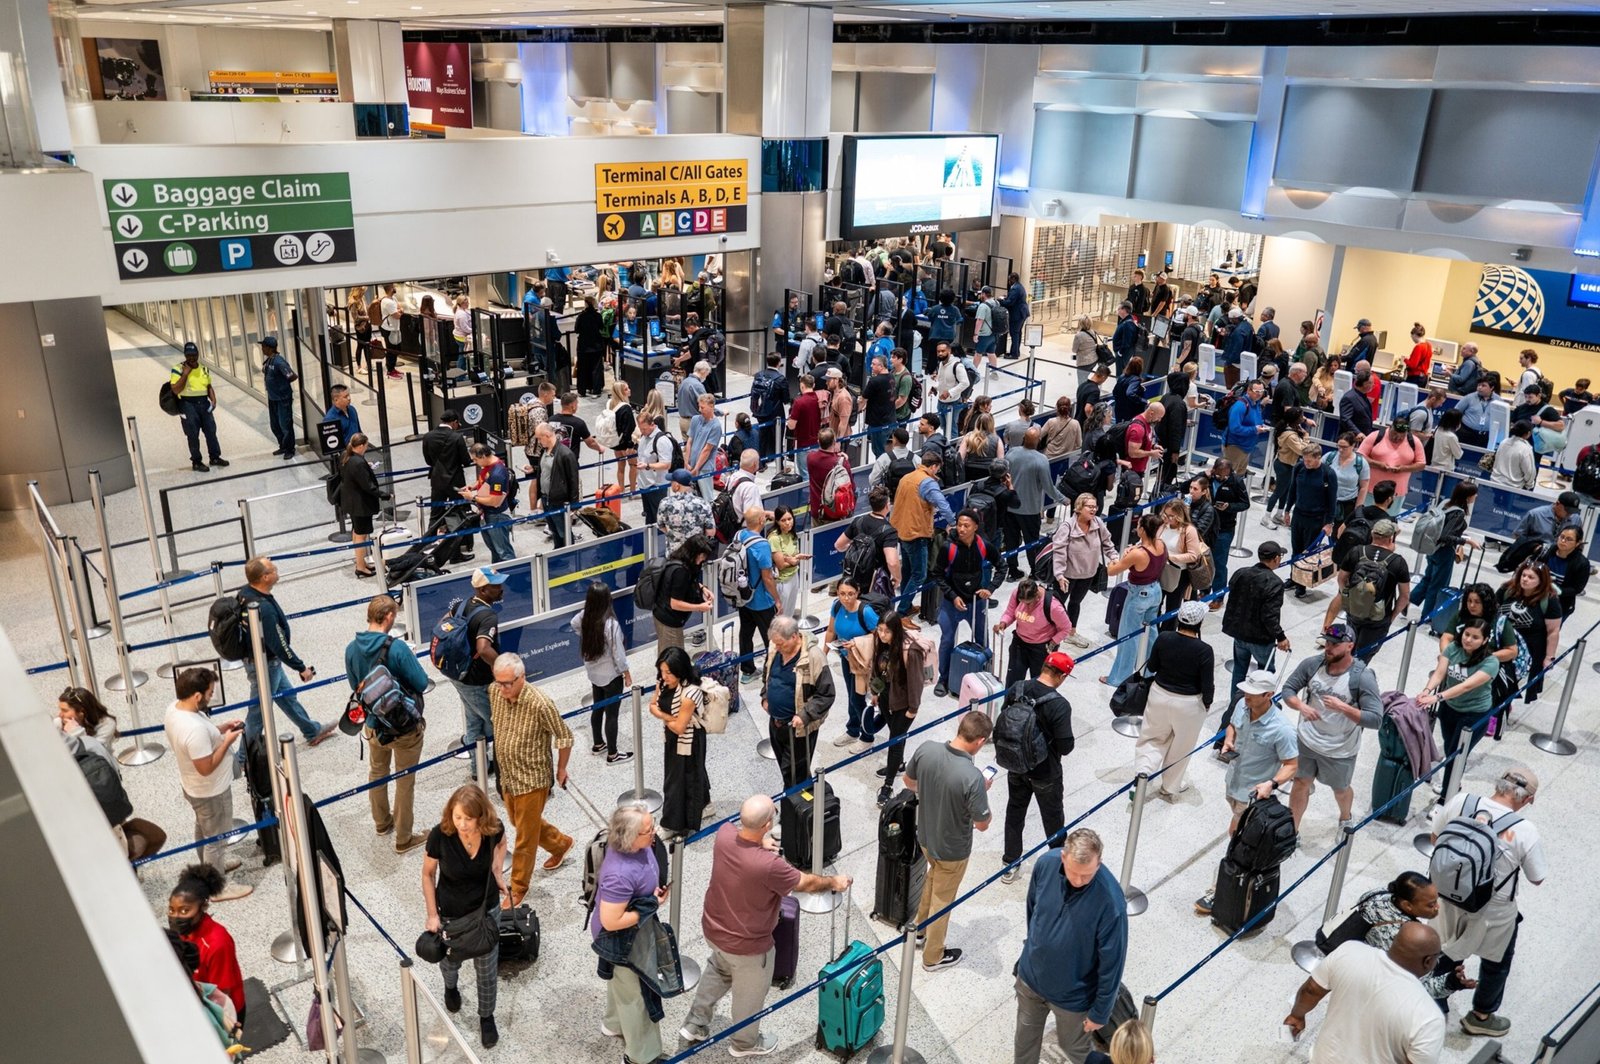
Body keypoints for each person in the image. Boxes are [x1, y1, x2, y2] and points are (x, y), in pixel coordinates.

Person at [680, 795, 851, 1055]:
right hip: (747, 945)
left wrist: (759, 840)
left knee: (719, 969)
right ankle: (744, 1044)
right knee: (749, 996)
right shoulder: (769, 866)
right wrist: (833, 881)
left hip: (714, 929)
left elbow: (744, 839)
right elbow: (806, 883)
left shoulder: (724, 834)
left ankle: (695, 1023)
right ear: (768, 825)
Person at [1429, 767, 1547, 1039]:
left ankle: (1432, 998)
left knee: (1444, 949)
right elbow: (1537, 878)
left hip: (1447, 895)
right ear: (1527, 799)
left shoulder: (1462, 801)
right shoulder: (1524, 830)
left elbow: (1436, 838)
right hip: (1492, 910)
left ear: (1498, 785)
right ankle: (1481, 1016)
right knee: (1497, 962)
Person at [1012, 828, 1128, 1064]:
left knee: (1076, 1048)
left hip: (1073, 997)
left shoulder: (1111, 904)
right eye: (1073, 872)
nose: (1077, 881)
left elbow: (1112, 964)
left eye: (1086, 876)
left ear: (1099, 864)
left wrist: (1100, 1012)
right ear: (1063, 857)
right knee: (1024, 1043)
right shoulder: (1046, 864)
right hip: (1031, 981)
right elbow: (1033, 911)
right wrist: (1031, 949)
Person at [1193, 670, 1299, 917]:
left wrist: (1271, 784)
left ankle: (1217, 892)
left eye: (1252, 694)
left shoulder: (1282, 729)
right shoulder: (1242, 704)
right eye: (1246, 692)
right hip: (1234, 782)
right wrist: (1229, 740)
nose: (1246, 697)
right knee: (1236, 831)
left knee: (1238, 841)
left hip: (1254, 794)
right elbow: (1233, 725)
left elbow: (1292, 765)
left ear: (1269, 695)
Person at [905, 711, 994, 972]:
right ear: (979, 742)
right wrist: (981, 791)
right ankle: (933, 957)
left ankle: (918, 931)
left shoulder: (926, 749)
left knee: (932, 880)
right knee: (943, 900)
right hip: (952, 849)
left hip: (926, 837)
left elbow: (908, 782)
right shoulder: (972, 777)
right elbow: (982, 823)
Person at [1284, 925, 1447, 1062]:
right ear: (1428, 961)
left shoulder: (1350, 951)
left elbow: (1311, 990)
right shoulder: (1429, 1016)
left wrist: (1297, 1016)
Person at [423, 784, 508, 1047]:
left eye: (468, 819)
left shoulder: (494, 830)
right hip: (451, 913)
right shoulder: (441, 835)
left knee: (486, 967)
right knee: (450, 963)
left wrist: (497, 872)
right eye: (457, 816)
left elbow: (503, 843)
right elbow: (427, 874)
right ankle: (450, 986)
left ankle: (486, 1017)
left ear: (481, 817)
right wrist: (432, 914)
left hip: (486, 909)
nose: (461, 824)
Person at [344, 595, 431, 852]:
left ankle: (382, 823)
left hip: (373, 724)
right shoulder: (397, 648)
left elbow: (355, 687)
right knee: (405, 781)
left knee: (377, 772)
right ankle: (404, 838)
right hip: (404, 727)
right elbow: (422, 683)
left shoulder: (351, 648)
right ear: (390, 617)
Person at [489, 652, 574, 905]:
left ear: (522, 677)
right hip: (508, 777)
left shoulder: (540, 703)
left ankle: (518, 887)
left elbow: (565, 736)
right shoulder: (494, 692)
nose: (502, 689)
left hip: (532, 779)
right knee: (519, 821)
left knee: (524, 837)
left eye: (507, 683)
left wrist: (561, 769)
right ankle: (561, 844)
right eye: (498, 682)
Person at [1283, 624, 1383, 832]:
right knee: (1300, 783)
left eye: (1335, 644)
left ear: (1350, 646)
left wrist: (1344, 708)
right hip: (1308, 741)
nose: (1328, 647)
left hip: (1340, 749)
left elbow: (1375, 719)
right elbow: (1288, 689)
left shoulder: (1362, 677)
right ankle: (1293, 830)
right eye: (1327, 642)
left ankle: (1345, 816)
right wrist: (1301, 706)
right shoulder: (1312, 665)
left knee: (1340, 790)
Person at [236, 557, 337, 754]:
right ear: (265, 577)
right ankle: (241, 760)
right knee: (258, 714)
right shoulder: (263, 609)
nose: (276, 570)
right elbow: (279, 644)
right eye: (273, 569)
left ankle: (311, 731)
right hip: (265, 665)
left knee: (287, 697)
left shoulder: (244, 593)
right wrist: (301, 668)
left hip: (262, 661)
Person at [163, 668, 250, 894]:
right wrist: (227, 741)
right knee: (216, 839)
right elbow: (206, 767)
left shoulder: (174, 709)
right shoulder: (194, 729)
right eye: (210, 692)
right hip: (211, 791)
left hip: (193, 787)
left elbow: (202, 737)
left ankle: (209, 870)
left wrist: (221, 729)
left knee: (203, 829)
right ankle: (217, 886)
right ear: (197, 696)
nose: (212, 695)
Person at [995, 651, 1076, 883]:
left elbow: (1005, 719)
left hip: (1016, 765)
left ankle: (1009, 863)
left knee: (1015, 812)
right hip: (1045, 772)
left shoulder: (1018, 688)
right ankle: (1061, 867)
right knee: (1053, 819)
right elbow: (1065, 746)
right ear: (1061, 677)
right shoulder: (1060, 705)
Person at [1134, 601, 1216, 796]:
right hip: (1189, 704)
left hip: (1159, 695)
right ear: (1200, 622)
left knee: (1151, 738)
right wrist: (1207, 703)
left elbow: (1152, 667)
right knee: (1181, 747)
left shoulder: (1164, 638)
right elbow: (1207, 684)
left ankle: (1142, 774)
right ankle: (1170, 787)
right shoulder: (1205, 650)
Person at [1417, 618, 1501, 797]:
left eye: (1475, 637)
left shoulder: (1491, 662)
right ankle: (1454, 784)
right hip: (1449, 709)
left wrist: (1436, 697)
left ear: (1485, 640)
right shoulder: (1452, 649)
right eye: (1467, 634)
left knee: (1455, 757)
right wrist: (1426, 690)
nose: (1468, 639)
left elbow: (1466, 686)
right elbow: (1440, 673)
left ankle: (1446, 798)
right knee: (1450, 749)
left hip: (1474, 715)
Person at [856, 611, 929, 806]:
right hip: (887, 699)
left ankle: (887, 785)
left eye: (886, 631)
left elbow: (916, 682)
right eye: (879, 630)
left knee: (894, 742)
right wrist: (876, 692)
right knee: (895, 737)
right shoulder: (881, 644)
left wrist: (913, 708)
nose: (882, 635)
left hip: (904, 704)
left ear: (896, 630)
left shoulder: (910, 651)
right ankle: (899, 765)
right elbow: (878, 671)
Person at [440, 567, 504, 774]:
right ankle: (505, 768)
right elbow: (484, 648)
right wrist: (503, 667)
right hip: (477, 680)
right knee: (499, 724)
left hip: (458, 674)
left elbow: (442, 625)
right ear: (483, 590)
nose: (501, 589)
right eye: (496, 586)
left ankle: (480, 769)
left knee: (474, 721)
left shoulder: (461, 604)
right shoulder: (488, 616)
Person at [761, 615, 836, 789]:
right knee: (786, 769)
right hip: (775, 723)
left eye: (781, 644)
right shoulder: (775, 647)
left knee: (796, 773)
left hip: (799, 730)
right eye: (775, 643)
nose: (777, 647)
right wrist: (765, 696)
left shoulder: (814, 657)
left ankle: (795, 810)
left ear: (794, 636)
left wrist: (804, 715)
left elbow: (826, 695)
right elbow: (767, 673)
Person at [934, 509, 1002, 698]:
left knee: (982, 640)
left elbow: (1001, 566)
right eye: (959, 524)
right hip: (951, 602)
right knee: (947, 639)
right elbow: (937, 574)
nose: (961, 529)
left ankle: (982, 675)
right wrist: (952, 596)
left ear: (975, 527)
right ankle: (944, 678)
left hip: (976, 602)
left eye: (966, 526)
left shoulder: (984, 545)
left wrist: (990, 588)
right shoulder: (948, 547)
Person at [647, 647, 712, 842]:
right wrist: (669, 718)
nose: (664, 676)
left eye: (669, 672)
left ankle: (673, 824)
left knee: (677, 781)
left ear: (681, 670)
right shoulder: (664, 683)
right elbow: (652, 705)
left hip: (689, 740)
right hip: (674, 737)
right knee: (690, 773)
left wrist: (663, 716)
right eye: (662, 671)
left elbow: (679, 727)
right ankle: (704, 802)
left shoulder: (691, 693)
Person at [1323, 517, 1411, 659]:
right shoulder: (1398, 562)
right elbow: (1405, 596)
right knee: (1363, 657)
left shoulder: (1356, 551)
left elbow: (1341, 579)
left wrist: (1349, 597)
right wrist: (1392, 616)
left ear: (1372, 534)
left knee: (1347, 649)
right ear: (1391, 538)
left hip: (1354, 611)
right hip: (1379, 618)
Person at [168, 864, 246, 1020]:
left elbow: (222, 994)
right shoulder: (180, 934)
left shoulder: (218, 943)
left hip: (223, 1012)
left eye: (184, 910)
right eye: (171, 910)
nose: (175, 917)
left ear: (203, 906)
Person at [1222, 541, 1292, 708]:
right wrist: (1281, 637)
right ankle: (1260, 705)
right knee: (1266, 673)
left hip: (1239, 633)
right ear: (1276, 559)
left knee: (1239, 670)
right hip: (1260, 638)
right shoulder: (1275, 583)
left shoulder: (1241, 573)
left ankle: (1236, 704)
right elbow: (1270, 616)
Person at [1102, 515, 1168, 688]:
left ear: (1143, 530)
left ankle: (1118, 678)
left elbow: (1112, 571)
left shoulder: (1138, 554)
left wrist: (1115, 559)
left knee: (1128, 637)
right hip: (1155, 592)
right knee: (1151, 634)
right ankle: (1149, 672)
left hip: (1139, 595)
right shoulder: (1161, 545)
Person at [891, 450, 954, 615]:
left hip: (901, 530)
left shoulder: (907, 477)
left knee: (907, 570)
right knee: (919, 575)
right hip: (916, 533)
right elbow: (942, 503)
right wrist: (953, 522)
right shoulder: (927, 482)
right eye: (937, 469)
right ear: (933, 466)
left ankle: (905, 604)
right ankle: (902, 611)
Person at [579, 582, 634, 765]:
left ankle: (598, 744)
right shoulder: (611, 625)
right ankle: (612, 754)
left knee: (598, 707)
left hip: (594, 673)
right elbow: (618, 653)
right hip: (611, 675)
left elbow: (573, 624)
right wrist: (626, 673)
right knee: (612, 714)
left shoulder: (584, 617)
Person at [1051, 495, 1119, 641]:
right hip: (1067, 575)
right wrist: (1059, 574)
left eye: (1095, 507)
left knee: (1076, 603)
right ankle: (1054, 630)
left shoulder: (1098, 523)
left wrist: (1113, 556)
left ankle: (1070, 631)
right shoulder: (1067, 526)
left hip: (1088, 574)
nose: (1093, 509)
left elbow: (1107, 542)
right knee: (1058, 604)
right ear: (1079, 508)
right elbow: (1059, 552)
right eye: (1090, 506)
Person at [1415, 482, 1483, 620]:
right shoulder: (1458, 513)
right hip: (1444, 552)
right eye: (1474, 494)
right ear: (1468, 496)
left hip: (1432, 548)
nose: (1476, 496)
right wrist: (1466, 541)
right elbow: (1446, 536)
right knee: (1437, 585)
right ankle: (1427, 616)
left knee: (1428, 579)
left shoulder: (1445, 503)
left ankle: (1408, 601)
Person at [1497, 561, 1562, 702]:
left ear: (1541, 581)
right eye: (1524, 575)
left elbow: (1553, 631)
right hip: (1502, 646)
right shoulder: (1507, 590)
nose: (1525, 579)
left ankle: (1497, 719)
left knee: (1505, 690)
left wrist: (1549, 658)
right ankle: (1497, 714)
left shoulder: (1549, 600)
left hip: (1527, 654)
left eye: (1531, 577)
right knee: (1498, 688)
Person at [994, 578, 1073, 686]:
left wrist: (1053, 642)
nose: (1026, 607)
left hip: (1041, 648)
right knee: (1013, 681)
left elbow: (1066, 627)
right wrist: (1003, 623)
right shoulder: (1017, 593)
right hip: (1020, 643)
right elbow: (1010, 611)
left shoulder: (1053, 606)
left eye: (1029, 603)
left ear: (1037, 595)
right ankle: (1011, 702)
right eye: (1023, 603)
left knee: (1039, 684)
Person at [733, 506, 780, 684]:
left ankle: (747, 670)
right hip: (761, 600)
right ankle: (772, 673)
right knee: (772, 638)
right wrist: (777, 599)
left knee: (745, 633)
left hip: (743, 597)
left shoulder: (738, 536)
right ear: (761, 521)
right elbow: (767, 577)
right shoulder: (761, 545)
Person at [422, 409, 474, 562]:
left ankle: (429, 550)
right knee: (459, 514)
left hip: (437, 480)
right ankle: (456, 553)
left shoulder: (428, 436)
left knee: (435, 515)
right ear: (453, 422)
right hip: (455, 482)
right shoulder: (456, 437)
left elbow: (428, 460)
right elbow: (466, 460)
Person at [169, 341, 229, 473]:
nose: (191, 358)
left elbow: (208, 386)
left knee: (211, 431)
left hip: (204, 403)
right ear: (185, 355)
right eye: (188, 355)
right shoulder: (178, 369)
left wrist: (213, 398)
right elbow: (175, 390)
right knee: (192, 434)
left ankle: (215, 457)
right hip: (187, 404)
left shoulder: (203, 368)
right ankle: (196, 461)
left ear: (198, 354)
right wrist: (185, 374)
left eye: (194, 355)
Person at [651, 534, 716, 653]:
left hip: (667, 616)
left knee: (667, 654)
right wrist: (699, 607)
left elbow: (690, 582)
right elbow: (675, 603)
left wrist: (703, 589)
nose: (702, 559)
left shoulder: (683, 561)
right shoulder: (680, 572)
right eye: (701, 555)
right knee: (673, 658)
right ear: (693, 552)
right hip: (668, 620)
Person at [336, 433, 384, 578]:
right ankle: (361, 567)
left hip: (350, 501)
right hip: (361, 504)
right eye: (367, 445)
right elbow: (368, 486)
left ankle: (360, 562)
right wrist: (384, 495)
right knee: (361, 535)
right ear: (362, 446)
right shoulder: (358, 462)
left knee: (357, 532)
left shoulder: (346, 455)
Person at [460, 443, 517, 563]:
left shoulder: (498, 474)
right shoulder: (489, 465)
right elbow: (485, 479)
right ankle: (498, 576)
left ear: (483, 456)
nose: (475, 462)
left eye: (475, 459)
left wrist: (473, 497)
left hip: (497, 516)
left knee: (504, 552)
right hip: (487, 514)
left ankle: (514, 578)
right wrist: (473, 486)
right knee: (494, 550)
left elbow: (495, 501)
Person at [255, 336, 298, 459]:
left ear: (270, 348)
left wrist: (282, 387)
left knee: (285, 424)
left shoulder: (279, 362)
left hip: (282, 399)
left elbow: (292, 376)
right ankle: (283, 446)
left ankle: (290, 449)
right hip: (273, 398)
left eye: (263, 346)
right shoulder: (269, 360)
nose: (262, 348)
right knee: (275, 425)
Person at [657, 468, 715, 556]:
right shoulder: (703, 504)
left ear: (677, 485)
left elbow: (661, 527)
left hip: (674, 554)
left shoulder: (665, 503)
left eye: (672, 482)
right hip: (696, 554)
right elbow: (710, 532)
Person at [634, 410, 673, 525]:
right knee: (649, 518)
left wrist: (648, 466)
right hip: (644, 484)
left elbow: (666, 464)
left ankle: (660, 542)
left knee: (659, 520)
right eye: (640, 429)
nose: (642, 432)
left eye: (644, 429)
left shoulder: (662, 441)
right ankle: (650, 541)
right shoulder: (644, 437)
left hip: (657, 486)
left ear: (652, 424)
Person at [767, 505, 805, 619]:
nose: (788, 523)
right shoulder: (774, 538)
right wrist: (794, 560)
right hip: (782, 582)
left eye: (790, 519)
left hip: (794, 576)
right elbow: (781, 565)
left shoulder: (792, 533)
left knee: (790, 613)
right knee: (781, 616)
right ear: (777, 521)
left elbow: (793, 556)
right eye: (783, 520)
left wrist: (793, 559)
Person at [1511, 490, 1584, 546]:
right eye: (1567, 510)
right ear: (1557, 504)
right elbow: (1518, 535)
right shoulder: (1535, 514)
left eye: (1572, 511)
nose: (1569, 514)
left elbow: (1578, 540)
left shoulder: (1576, 519)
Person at [1547, 526, 1591, 619]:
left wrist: (1558, 591)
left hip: (1561, 604)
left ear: (1577, 543)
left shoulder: (1582, 563)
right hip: (1538, 598)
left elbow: (1577, 589)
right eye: (1562, 537)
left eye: (1569, 539)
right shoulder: (1549, 550)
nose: (1563, 541)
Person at [605, 380, 639, 494]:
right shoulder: (626, 408)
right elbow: (629, 428)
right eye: (626, 389)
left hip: (615, 442)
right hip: (627, 443)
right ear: (620, 392)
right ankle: (633, 491)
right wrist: (630, 446)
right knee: (633, 465)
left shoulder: (610, 404)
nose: (629, 390)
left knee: (620, 467)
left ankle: (621, 489)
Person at [687, 392, 723, 502]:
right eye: (699, 406)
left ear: (711, 406)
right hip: (690, 466)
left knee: (707, 499)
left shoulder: (716, 426)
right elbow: (689, 442)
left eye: (702, 407)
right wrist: (686, 463)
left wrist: (697, 468)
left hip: (704, 468)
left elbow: (707, 450)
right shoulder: (695, 419)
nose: (699, 409)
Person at [807, 427, 848, 522]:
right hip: (836, 512)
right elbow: (850, 485)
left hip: (817, 511)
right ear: (834, 442)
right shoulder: (842, 463)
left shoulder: (810, 458)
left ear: (818, 442)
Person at [787, 373, 822, 479]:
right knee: (815, 472)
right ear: (814, 385)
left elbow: (791, 426)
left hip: (804, 443)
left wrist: (789, 420)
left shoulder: (799, 402)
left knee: (805, 473)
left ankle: (808, 495)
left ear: (802, 386)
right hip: (817, 442)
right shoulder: (820, 399)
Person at [1456, 377, 1497, 451]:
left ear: (1492, 388)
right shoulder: (1469, 397)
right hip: (1466, 433)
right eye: (1479, 385)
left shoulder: (1499, 401)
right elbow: (1455, 412)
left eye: (1483, 385)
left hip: (1485, 436)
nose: (1479, 388)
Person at [678, 361, 711, 441]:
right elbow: (706, 405)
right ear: (703, 371)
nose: (707, 376)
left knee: (687, 449)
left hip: (682, 420)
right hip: (693, 422)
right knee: (696, 450)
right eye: (707, 373)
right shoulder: (698, 385)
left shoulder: (684, 382)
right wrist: (721, 412)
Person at [1111, 357, 1148, 423]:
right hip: (1130, 411)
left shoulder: (1122, 376)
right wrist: (1144, 401)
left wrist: (1139, 388)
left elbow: (1115, 392)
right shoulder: (1136, 379)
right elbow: (1130, 393)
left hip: (1119, 409)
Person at [1110, 302, 1140, 371]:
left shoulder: (1127, 324)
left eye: (1119, 309)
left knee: (1120, 372)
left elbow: (1127, 341)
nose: (1117, 311)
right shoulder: (1127, 320)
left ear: (1124, 310)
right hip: (1123, 352)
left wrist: (1120, 353)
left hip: (1123, 354)